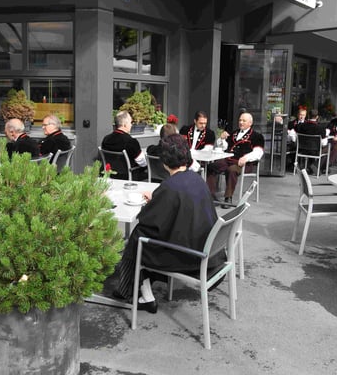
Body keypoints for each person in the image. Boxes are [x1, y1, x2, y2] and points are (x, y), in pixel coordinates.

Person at [114, 134, 225, 313]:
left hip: (188, 257)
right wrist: (158, 198)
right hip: (206, 249)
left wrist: (154, 201)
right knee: (142, 236)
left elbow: (148, 219)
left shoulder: (170, 187)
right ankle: (142, 289)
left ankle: (136, 292)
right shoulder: (196, 179)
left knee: (138, 237)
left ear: (164, 161)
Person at [206, 112, 264, 208]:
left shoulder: (257, 136)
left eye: (244, 121)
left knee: (231, 170)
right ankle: (211, 196)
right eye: (240, 120)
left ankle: (228, 198)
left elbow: (258, 152)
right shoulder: (234, 133)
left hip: (244, 164)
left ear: (250, 123)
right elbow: (224, 147)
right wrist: (222, 139)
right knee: (210, 167)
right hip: (228, 159)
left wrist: (246, 158)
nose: (241, 122)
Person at [101, 110, 147, 180]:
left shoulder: (106, 139)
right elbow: (143, 163)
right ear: (124, 124)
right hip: (128, 176)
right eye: (130, 122)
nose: (131, 125)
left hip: (111, 174)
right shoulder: (131, 141)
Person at [294, 109, 328, 174]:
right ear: (317, 117)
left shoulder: (300, 126)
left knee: (313, 146)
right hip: (315, 150)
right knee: (327, 148)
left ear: (308, 116)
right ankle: (315, 165)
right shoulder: (321, 128)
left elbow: (294, 134)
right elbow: (324, 143)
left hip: (302, 149)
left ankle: (312, 167)